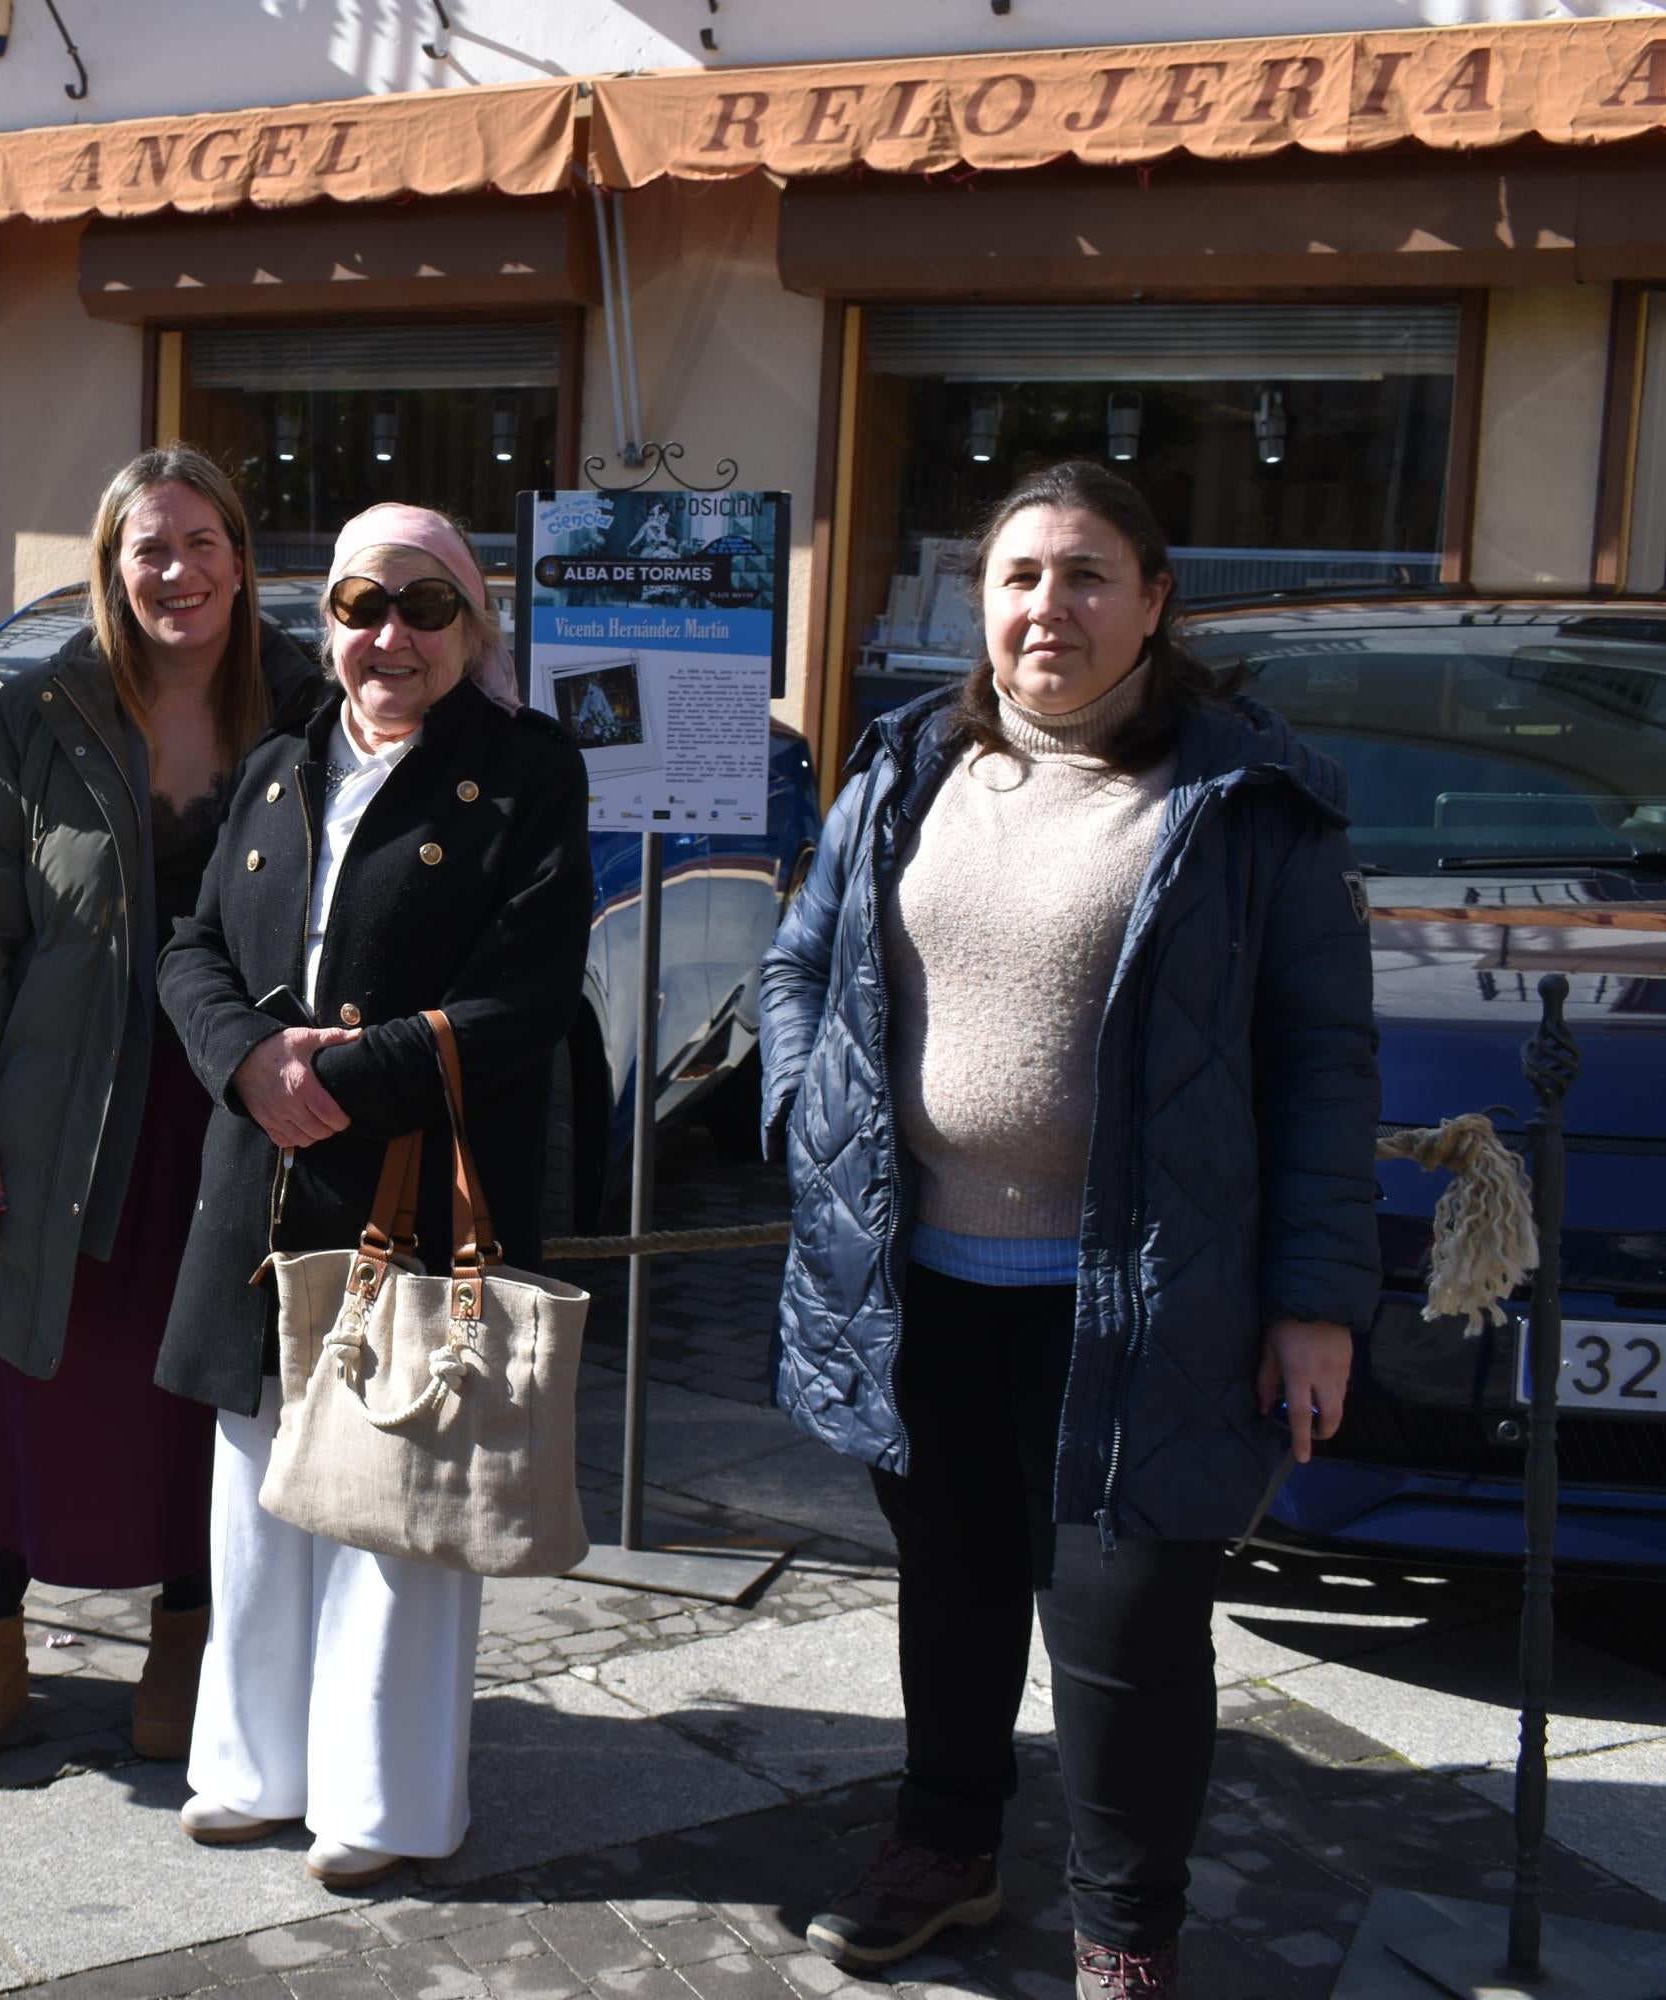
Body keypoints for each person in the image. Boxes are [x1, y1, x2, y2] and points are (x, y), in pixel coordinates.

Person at [759, 460, 1377, 2000]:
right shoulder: (904, 769)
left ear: (1157, 603)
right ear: (982, 606)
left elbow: (1322, 1070)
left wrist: (1315, 1303)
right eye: (1021, 576)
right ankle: (947, 1847)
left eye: (1090, 574)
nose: (1051, 605)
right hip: (929, 1289)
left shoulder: (1248, 804)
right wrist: (808, 1125)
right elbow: (797, 969)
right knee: (952, 1591)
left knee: (1125, 1633)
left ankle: (1126, 1933)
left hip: (1154, 1306)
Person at [154, 503, 591, 1891]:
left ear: (474, 627)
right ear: (328, 624)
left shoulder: (524, 773)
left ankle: (386, 1801)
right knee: (259, 1492)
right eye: (358, 605)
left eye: (423, 605)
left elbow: (528, 994)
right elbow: (191, 947)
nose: (388, 635)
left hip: (421, 1183)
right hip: (262, 1186)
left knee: (399, 1502)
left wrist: (354, 1073)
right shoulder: (280, 762)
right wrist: (243, 1061)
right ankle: (252, 1767)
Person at [0, 447, 323, 1774]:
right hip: (58, 1112)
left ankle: (188, 1634)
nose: (176, 570)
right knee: (35, 1371)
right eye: (150, 547)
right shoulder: (37, 715)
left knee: (201, 1388)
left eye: (201, 543)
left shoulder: (307, 705)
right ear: (111, 564)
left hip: (229, 1114)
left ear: (240, 559)